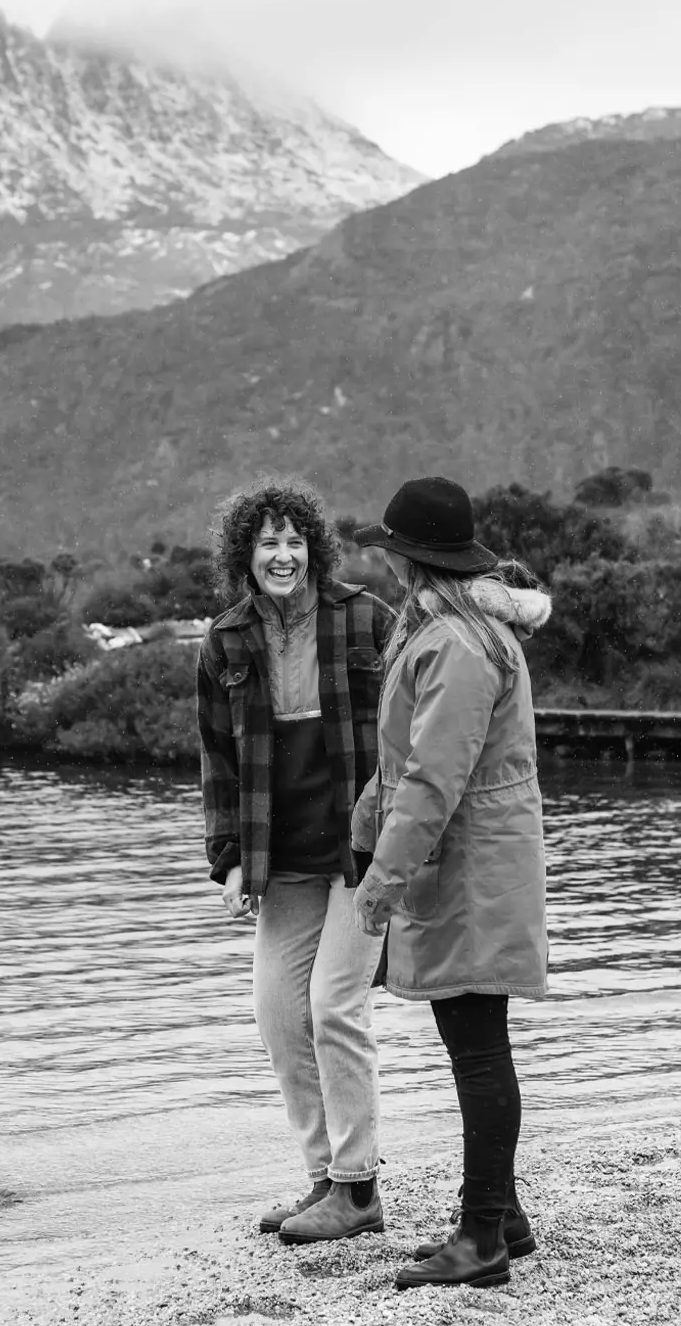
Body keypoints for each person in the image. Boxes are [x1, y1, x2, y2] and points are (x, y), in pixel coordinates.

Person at [349, 475, 552, 1291]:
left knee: (476, 1047)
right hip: (475, 861)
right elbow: (405, 767)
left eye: (393, 552)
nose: (390, 566)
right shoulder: (448, 631)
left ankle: (482, 1240)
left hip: (474, 868)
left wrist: (380, 885)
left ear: (410, 560)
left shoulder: (456, 646)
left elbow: (433, 780)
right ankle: (500, 1217)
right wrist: (367, 831)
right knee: (475, 1040)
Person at [196, 476, 397, 1244]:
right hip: (283, 859)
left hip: (364, 850)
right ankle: (323, 1179)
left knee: (334, 1006)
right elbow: (218, 765)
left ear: (314, 546)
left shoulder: (366, 620)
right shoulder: (225, 641)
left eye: (293, 540)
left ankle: (357, 1188)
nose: (282, 555)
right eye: (266, 543)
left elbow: (406, 734)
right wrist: (233, 860)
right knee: (280, 1015)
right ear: (243, 556)